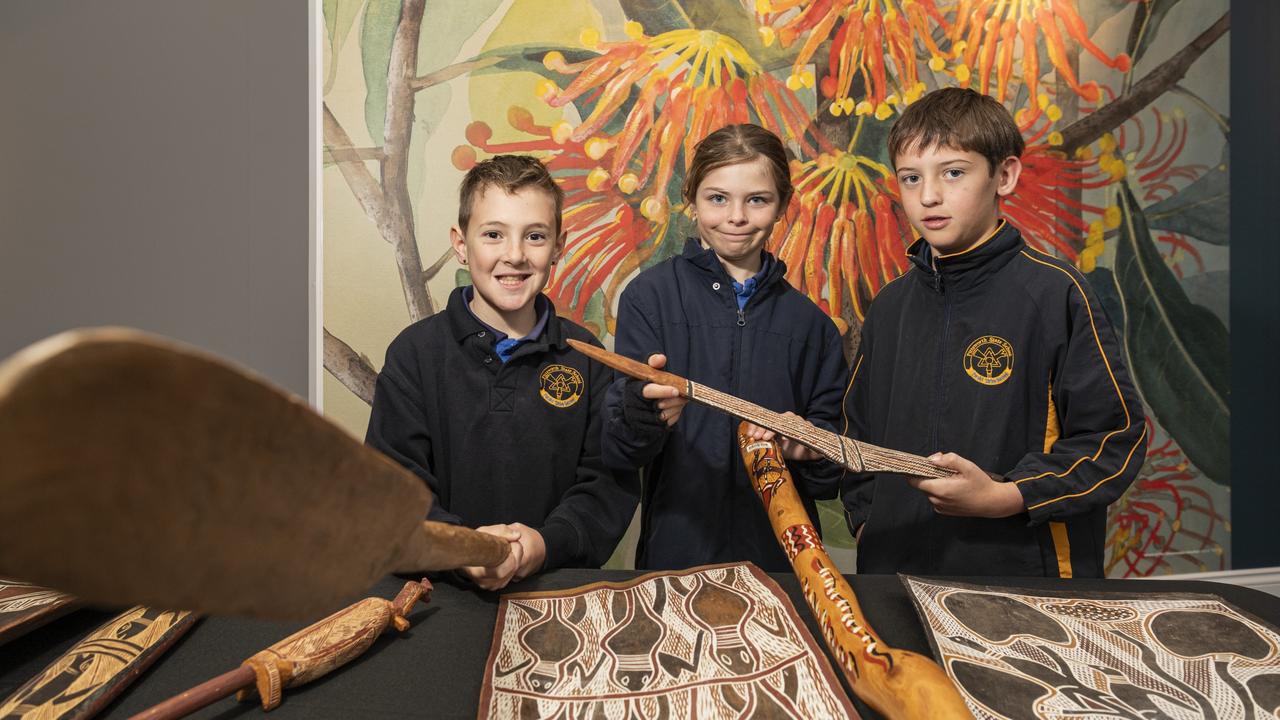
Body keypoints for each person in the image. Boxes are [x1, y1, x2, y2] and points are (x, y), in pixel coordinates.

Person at [841, 87, 1147, 577]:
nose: (929, 196)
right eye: (911, 178)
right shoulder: (890, 306)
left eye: (953, 172)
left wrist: (1008, 497)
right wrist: (868, 522)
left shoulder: (1054, 294)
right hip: (895, 574)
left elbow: (1114, 441)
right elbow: (858, 434)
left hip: (1023, 578)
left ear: (1004, 175)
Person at [365, 155, 638, 590]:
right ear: (460, 243)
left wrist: (546, 544)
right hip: (438, 599)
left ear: (559, 246)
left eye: (534, 236)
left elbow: (605, 486)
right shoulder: (414, 355)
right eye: (493, 234)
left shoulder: (587, 356)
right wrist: (463, 547)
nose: (515, 256)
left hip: (557, 591)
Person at [601, 123, 849, 572]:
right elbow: (622, 448)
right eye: (718, 198)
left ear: (782, 207)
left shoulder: (813, 327)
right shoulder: (648, 298)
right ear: (690, 202)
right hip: (676, 553)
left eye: (757, 200)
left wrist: (808, 446)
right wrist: (642, 411)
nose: (736, 216)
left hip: (781, 563)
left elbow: (829, 476)